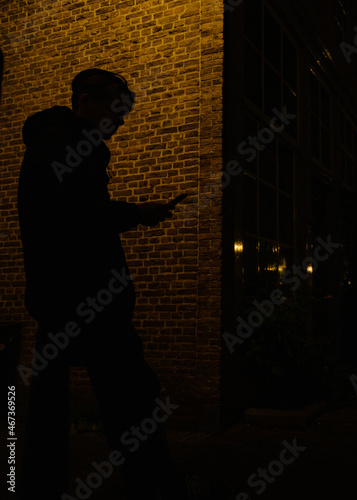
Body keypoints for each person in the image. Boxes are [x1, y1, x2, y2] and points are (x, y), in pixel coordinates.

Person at [17, 68, 189, 500]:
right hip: (88, 300)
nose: (122, 118)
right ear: (86, 99)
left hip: (60, 298)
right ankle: (156, 487)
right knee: (131, 398)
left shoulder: (54, 143)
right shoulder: (69, 144)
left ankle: (40, 487)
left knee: (53, 407)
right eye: (117, 107)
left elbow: (68, 215)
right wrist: (136, 213)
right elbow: (78, 216)